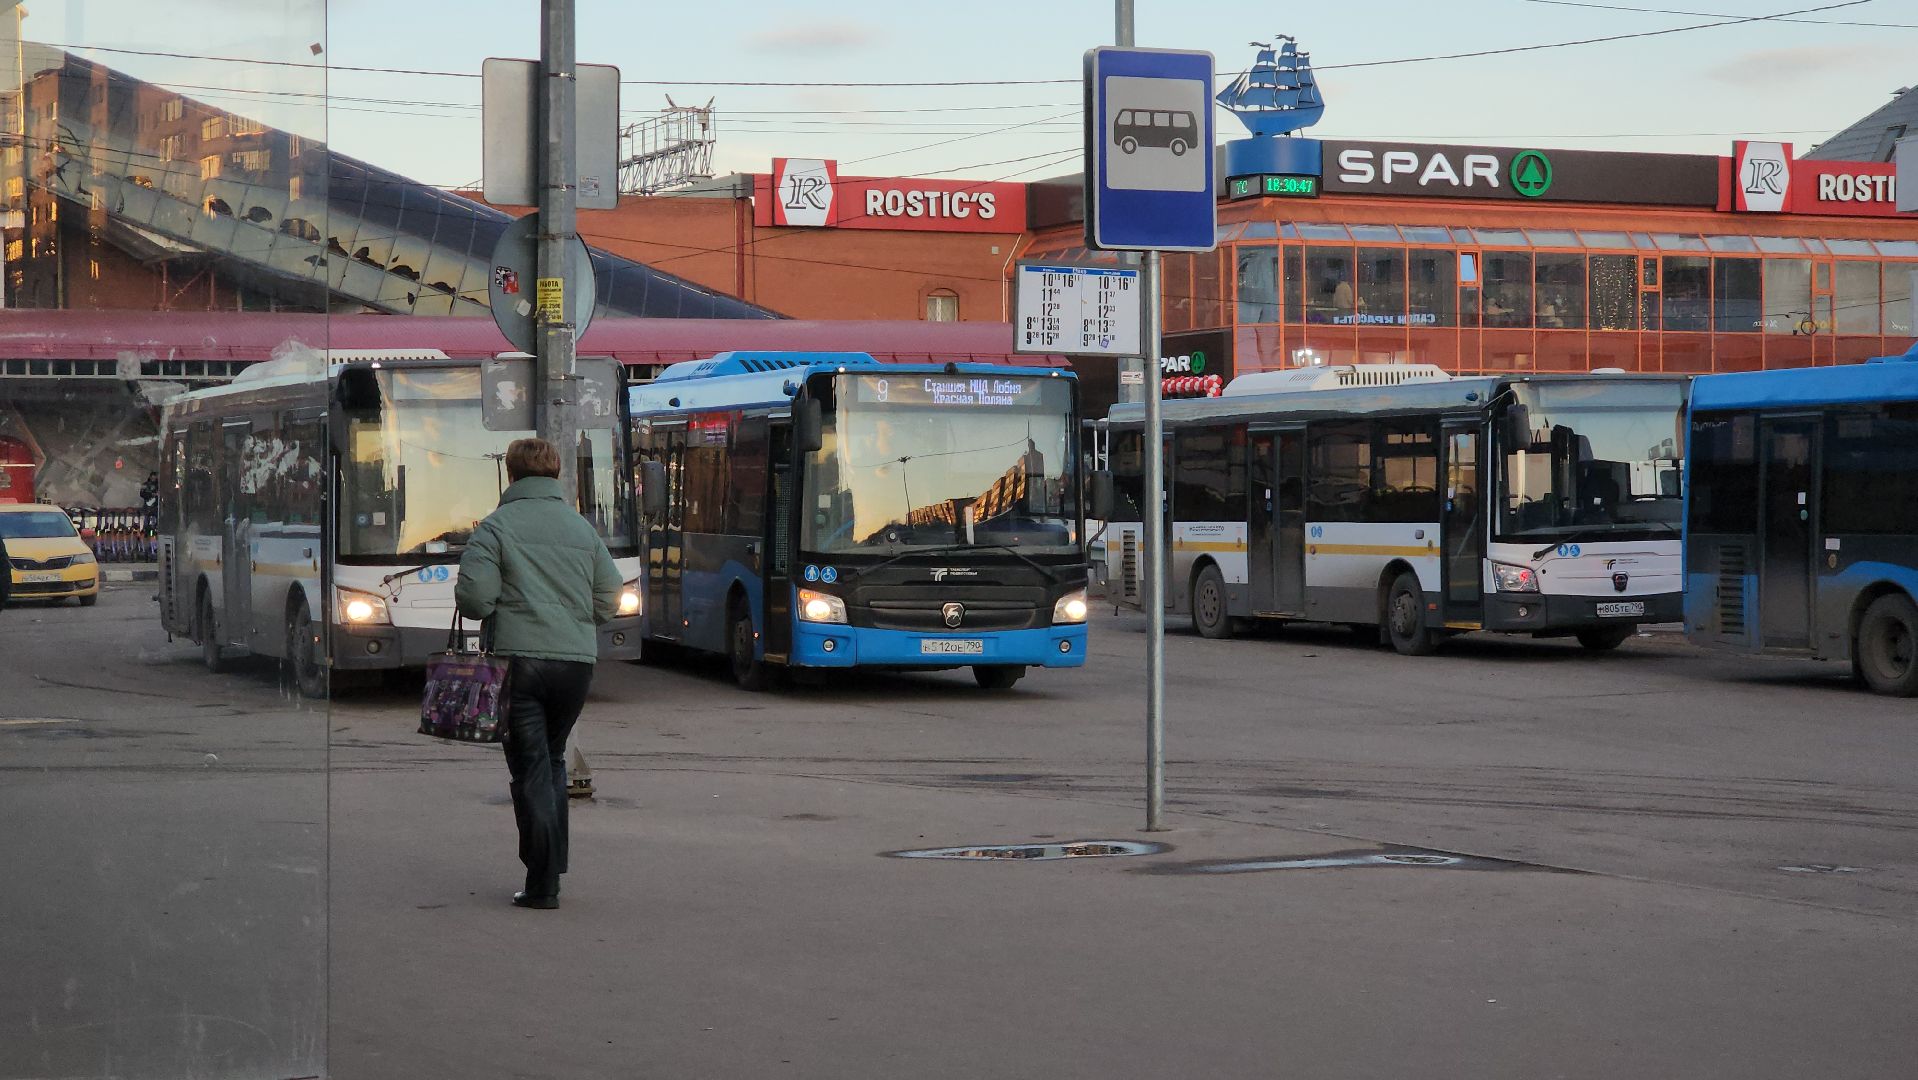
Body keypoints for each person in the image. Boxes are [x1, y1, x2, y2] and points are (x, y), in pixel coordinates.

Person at [455, 438, 622, 910]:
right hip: (575, 664)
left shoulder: (494, 528)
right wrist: (571, 619)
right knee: (551, 762)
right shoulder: (582, 529)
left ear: (510, 475)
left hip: (518, 663)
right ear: (555, 474)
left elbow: (474, 601)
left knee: (530, 767)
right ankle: (551, 870)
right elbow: (609, 598)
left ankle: (542, 880)